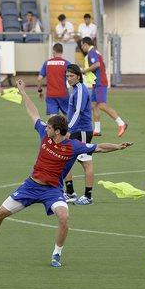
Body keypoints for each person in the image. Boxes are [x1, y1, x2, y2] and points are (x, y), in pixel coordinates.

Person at [0, 79, 131, 267]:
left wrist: (117, 146)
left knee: (64, 217)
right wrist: (23, 92)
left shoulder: (73, 146)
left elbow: (99, 147)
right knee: (0, 214)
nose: (46, 127)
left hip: (52, 191)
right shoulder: (44, 133)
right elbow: (33, 113)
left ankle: (56, 254)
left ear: (57, 131)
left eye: (50, 127)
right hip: (31, 186)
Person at [80, 37, 127, 137]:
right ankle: (97, 129)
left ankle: (121, 123)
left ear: (85, 44)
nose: (81, 47)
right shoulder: (95, 52)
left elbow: (96, 64)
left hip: (100, 82)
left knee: (101, 105)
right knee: (93, 105)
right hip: (96, 82)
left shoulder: (92, 53)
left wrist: (84, 71)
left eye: (82, 45)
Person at [62, 64, 95, 205]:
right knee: (64, 160)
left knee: (86, 163)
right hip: (75, 129)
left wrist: (68, 129)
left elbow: (78, 112)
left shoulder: (81, 89)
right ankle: (70, 193)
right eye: (67, 76)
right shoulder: (74, 89)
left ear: (78, 76)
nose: (69, 79)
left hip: (81, 130)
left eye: (71, 76)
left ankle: (88, 196)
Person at [37, 42, 68, 115]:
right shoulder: (66, 63)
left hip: (51, 95)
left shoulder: (47, 63)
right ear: (62, 52)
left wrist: (40, 91)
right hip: (63, 94)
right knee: (68, 117)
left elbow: (39, 79)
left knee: (53, 119)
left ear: (53, 51)